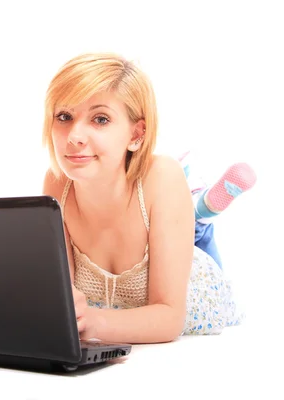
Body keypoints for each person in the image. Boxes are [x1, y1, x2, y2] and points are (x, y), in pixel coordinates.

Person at [41, 52, 254, 344]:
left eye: (100, 119)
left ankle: (199, 216)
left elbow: (168, 319)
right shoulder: (57, 184)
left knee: (197, 241)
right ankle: (195, 215)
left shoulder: (162, 175)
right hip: (155, 224)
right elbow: (61, 300)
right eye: (64, 116)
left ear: (137, 134)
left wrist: (95, 321)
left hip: (197, 285)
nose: (74, 136)